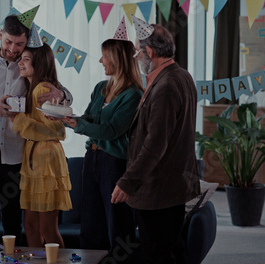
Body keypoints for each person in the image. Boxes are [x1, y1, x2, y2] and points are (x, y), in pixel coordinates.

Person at [0, 13, 72, 244]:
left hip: (15, 153)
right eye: (9, 42)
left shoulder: (30, 65)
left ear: (26, 41)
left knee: (12, 220)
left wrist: (61, 94)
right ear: (1, 35)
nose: (13, 49)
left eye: (19, 44)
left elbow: (63, 95)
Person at [111, 16, 200, 264]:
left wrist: (127, 182)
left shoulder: (167, 85)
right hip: (172, 185)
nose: (137, 58)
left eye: (138, 53)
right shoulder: (181, 75)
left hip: (160, 188)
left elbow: (155, 143)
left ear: (149, 51)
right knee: (171, 249)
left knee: (157, 254)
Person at [60, 23, 144, 261]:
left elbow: (110, 131)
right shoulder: (100, 88)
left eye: (104, 57)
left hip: (114, 163)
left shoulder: (134, 95)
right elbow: (88, 117)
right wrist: (64, 117)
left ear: (117, 59)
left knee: (117, 222)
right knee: (91, 221)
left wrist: (80, 125)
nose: (100, 61)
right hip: (92, 159)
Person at [8, 42, 72, 247]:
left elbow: (58, 131)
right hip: (34, 159)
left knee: (46, 228)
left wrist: (18, 120)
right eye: (21, 59)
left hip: (46, 161)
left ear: (40, 63)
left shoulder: (43, 90)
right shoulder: (32, 89)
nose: (20, 63)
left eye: (26, 59)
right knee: (31, 225)